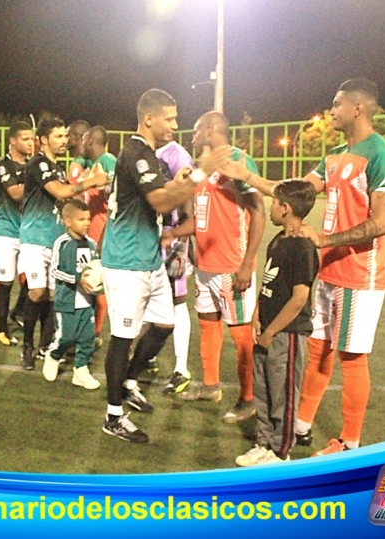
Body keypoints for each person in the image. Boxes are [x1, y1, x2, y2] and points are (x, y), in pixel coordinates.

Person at [223, 78, 385, 456]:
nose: (331, 110)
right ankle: (301, 425)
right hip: (329, 270)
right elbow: (293, 192)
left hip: (360, 272)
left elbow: (383, 221)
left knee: (351, 357)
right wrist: (249, 177)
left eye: (337, 104)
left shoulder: (381, 154)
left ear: (358, 108)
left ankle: (350, 442)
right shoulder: (334, 155)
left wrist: (326, 240)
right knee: (318, 349)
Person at [100, 89, 231, 443]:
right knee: (122, 337)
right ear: (149, 119)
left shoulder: (151, 155)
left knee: (164, 323)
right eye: (169, 118)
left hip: (148, 257)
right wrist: (201, 174)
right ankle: (113, 416)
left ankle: (128, 382)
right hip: (127, 261)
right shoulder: (135, 153)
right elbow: (160, 202)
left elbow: (158, 192)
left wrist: (180, 181)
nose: (175, 124)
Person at [167, 111, 265, 426]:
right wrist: (173, 233)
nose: (193, 136)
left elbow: (258, 213)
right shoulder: (203, 169)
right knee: (208, 324)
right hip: (205, 266)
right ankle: (210, 386)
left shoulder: (238, 161)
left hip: (231, 266)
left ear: (210, 130)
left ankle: (248, 399)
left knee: (241, 335)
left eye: (197, 130)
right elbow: (202, 219)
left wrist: (247, 264)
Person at [235, 180, 319, 466]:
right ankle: (263, 443)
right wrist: (257, 314)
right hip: (266, 329)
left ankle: (281, 452)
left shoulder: (302, 247)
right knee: (263, 390)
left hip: (286, 334)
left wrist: (271, 331)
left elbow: (299, 298)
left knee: (283, 393)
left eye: (274, 203)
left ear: (286, 208)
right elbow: (269, 283)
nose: (270, 208)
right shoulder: (278, 241)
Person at [19, 117, 108, 370]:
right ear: (43, 140)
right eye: (57, 136)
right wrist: (91, 181)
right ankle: (27, 347)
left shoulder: (58, 168)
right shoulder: (38, 164)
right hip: (34, 238)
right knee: (36, 292)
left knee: (52, 295)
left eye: (64, 136)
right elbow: (59, 192)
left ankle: (45, 345)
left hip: (55, 239)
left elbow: (66, 196)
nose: (63, 141)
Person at [42, 199, 102, 390]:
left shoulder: (91, 244)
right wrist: (78, 279)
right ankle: (53, 356)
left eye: (88, 219)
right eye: (81, 219)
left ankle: (81, 371)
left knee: (87, 339)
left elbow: (96, 268)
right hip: (67, 301)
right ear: (67, 221)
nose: (87, 223)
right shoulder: (62, 243)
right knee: (66, 338)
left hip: (87, 302)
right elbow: (55, 270)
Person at [155, 138, 195, 394]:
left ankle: (181, 369)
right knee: (148, 295)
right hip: (151, 234)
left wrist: (181, 245)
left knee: (177, 299)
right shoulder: (146, 149)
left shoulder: (176, 153)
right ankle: (147, 357)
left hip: (171, 236)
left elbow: (187, 197)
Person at [0, 122, 34, 346]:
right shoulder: (3, 165)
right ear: (13, 141)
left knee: (33, 278)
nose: (30, 143)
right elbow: (15, 193)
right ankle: (2, 329)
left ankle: (18, 312)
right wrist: (39, 181)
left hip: (26, 230)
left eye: (31, 138)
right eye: (25, 139)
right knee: (6, 282)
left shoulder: (32, 166)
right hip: (4, 231)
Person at [80, 125, 116, 348]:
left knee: (99, 284)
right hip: (92, 232)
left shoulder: (107, 161)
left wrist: (105, 235)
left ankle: (95, 335)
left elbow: (116, 194)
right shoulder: (94, 165)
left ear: (92, 140)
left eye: (84, 139)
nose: (81, 144)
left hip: (102, 232)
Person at [67, 120, 91, 185]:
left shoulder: (78, 162)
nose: (64, 140)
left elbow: (73, 189)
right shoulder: (93, 158)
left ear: (76, 137)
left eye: (67, 136)